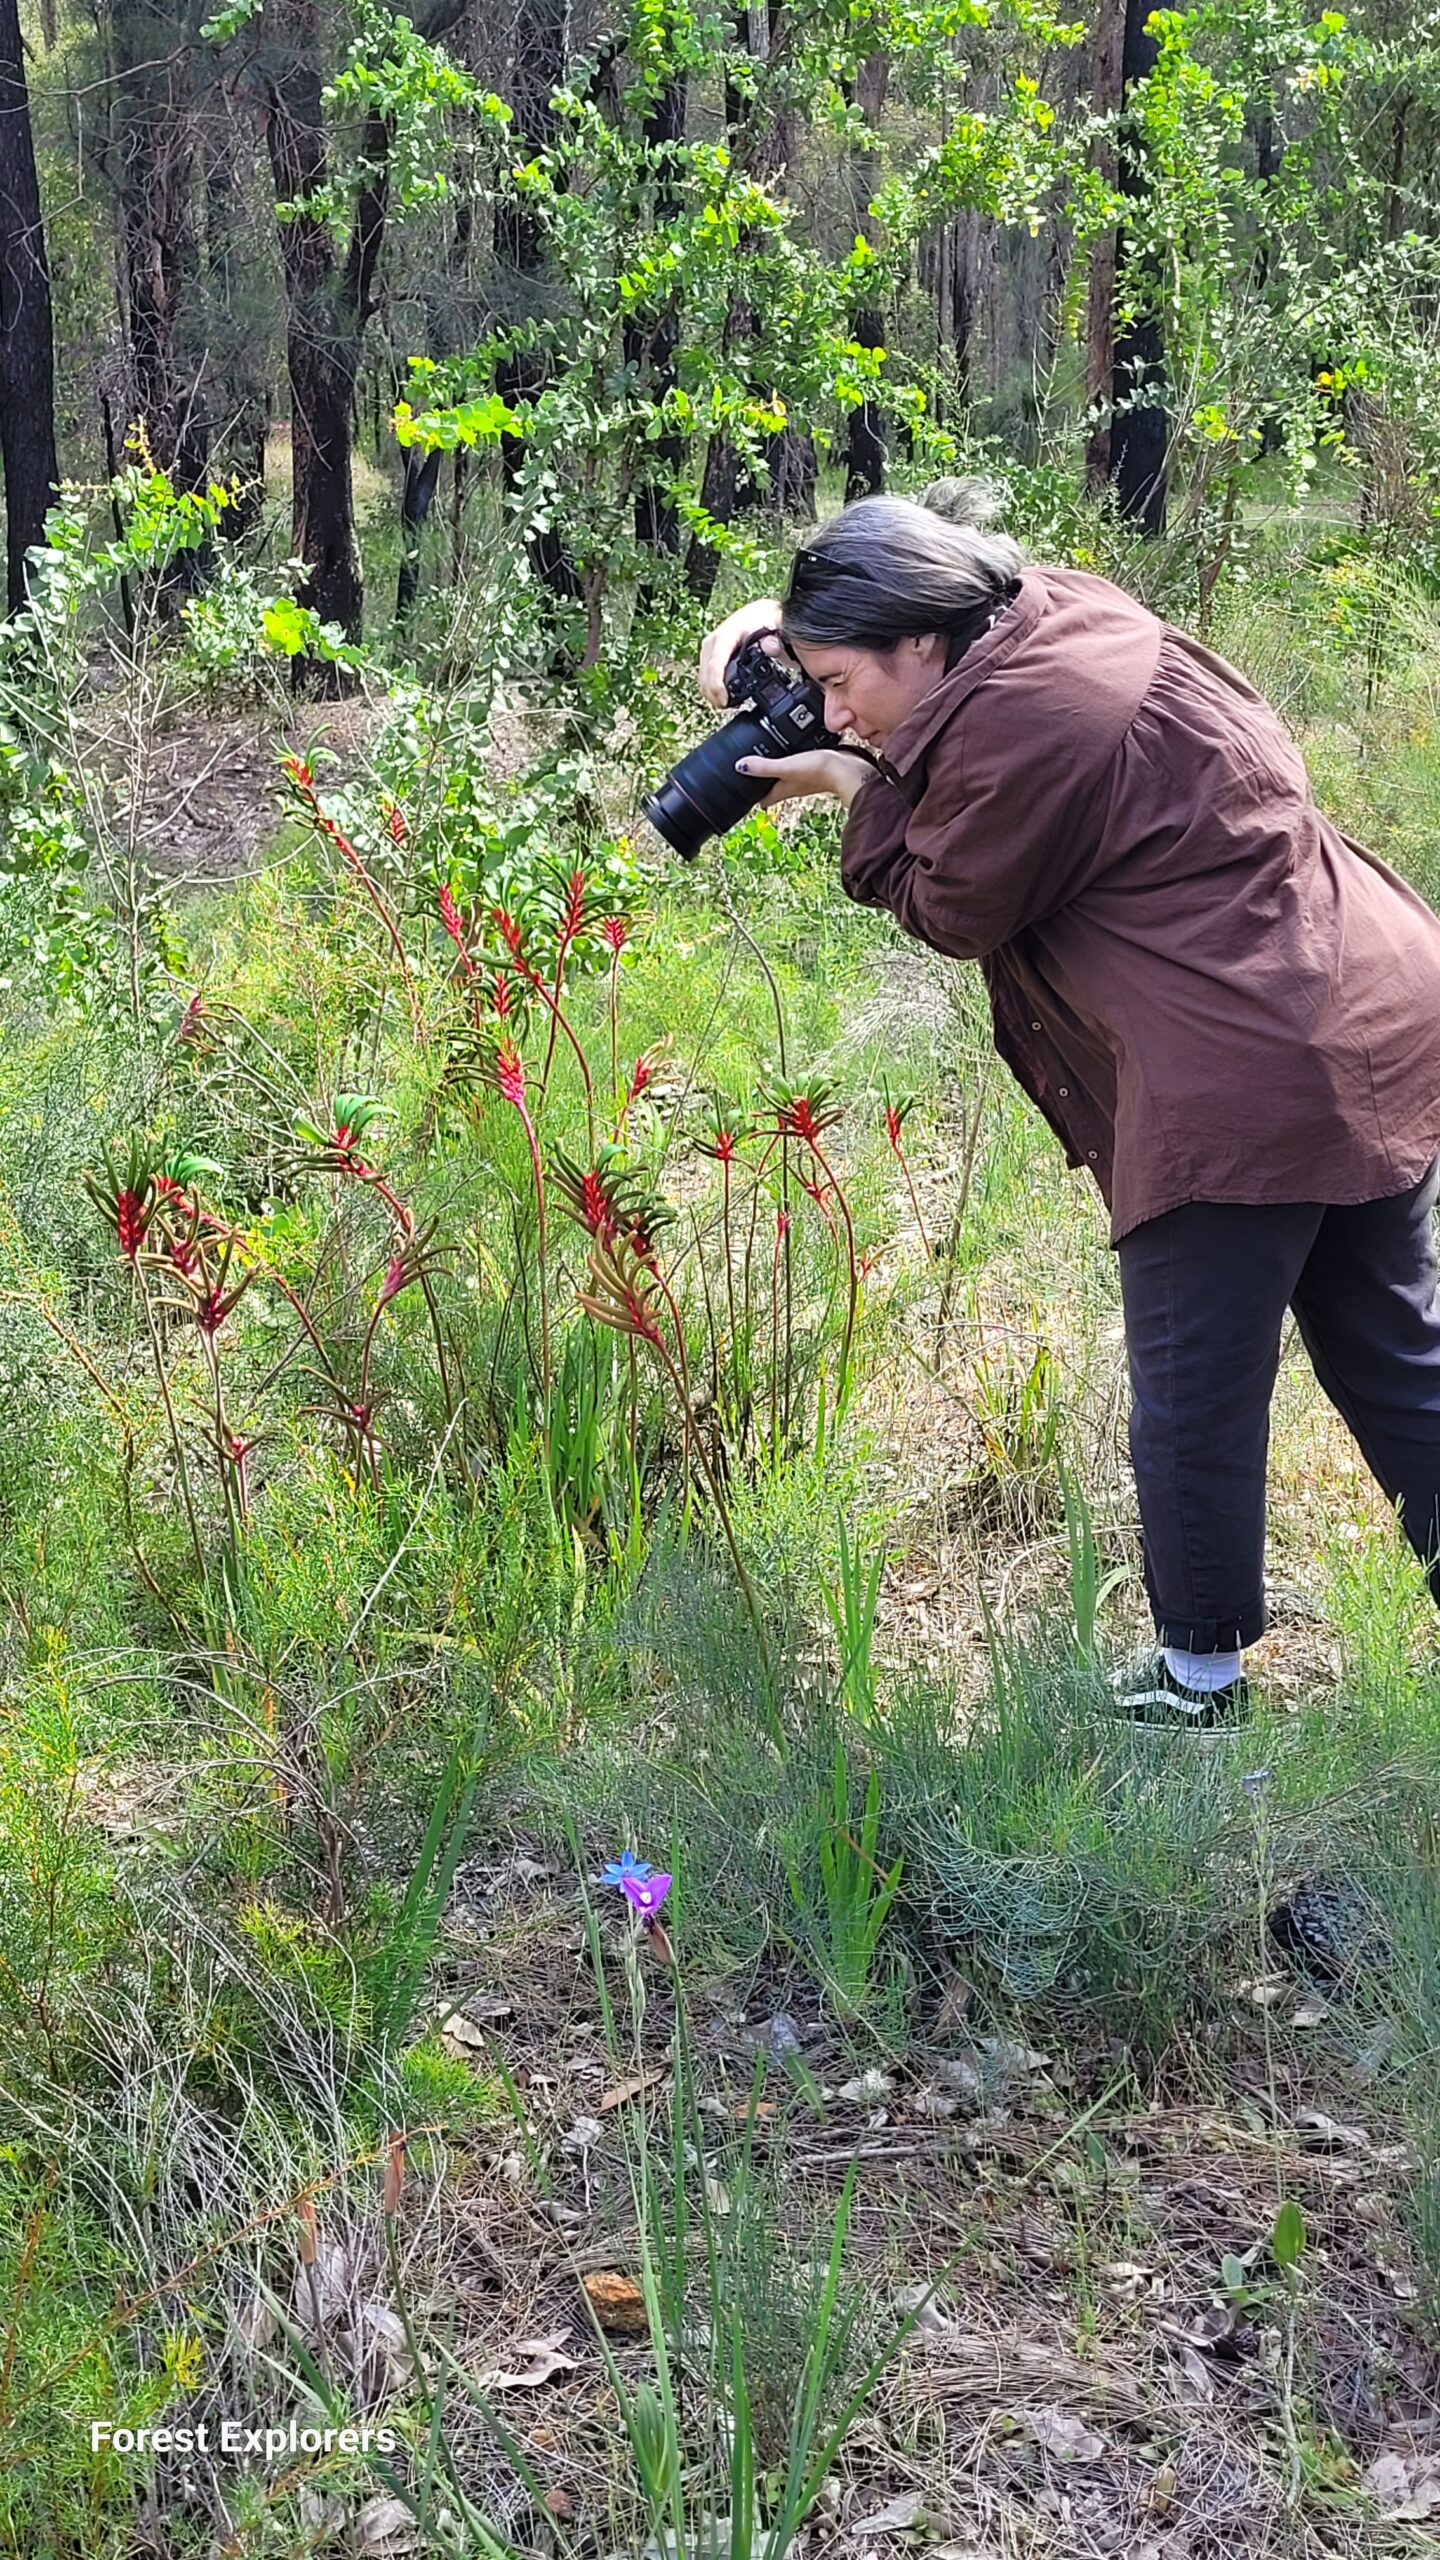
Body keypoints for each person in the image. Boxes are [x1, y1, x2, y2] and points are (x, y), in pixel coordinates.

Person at [697, 484, 1440, 1727]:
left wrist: (844, 782)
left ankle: (1199, 1693)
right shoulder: (1046, 613)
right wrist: (788, 640)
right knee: (1397, 1358)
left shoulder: (1028, 725)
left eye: (838, 680)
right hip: (1356, 1002)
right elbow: (925, 679)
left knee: (1193, 1392)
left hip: (1244, 1069)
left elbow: (950, 904)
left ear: (918, 638)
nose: (829, 711)